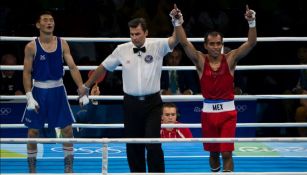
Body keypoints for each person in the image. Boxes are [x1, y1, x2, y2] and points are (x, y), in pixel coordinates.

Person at [83, 15, 180, 172]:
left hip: (153, 104)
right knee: (133, 145)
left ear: (146, 32)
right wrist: (86, 86)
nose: (134, 37)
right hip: (131, 104)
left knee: (152, 143)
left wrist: (177, 23)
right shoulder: (122, 49)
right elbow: (104, 66)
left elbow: (176, 40)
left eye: (138, 34)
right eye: (132, 34)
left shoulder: (157, 45)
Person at [172, 4, 257, 172]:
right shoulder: (200, 61)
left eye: (219, 43)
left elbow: (251, 43)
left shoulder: (231, 59)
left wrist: (252, 22)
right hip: (208, 114)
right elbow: (184, 42)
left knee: (227, 153)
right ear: (205, 45)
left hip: (228, 114)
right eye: (212, 44)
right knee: (213, 155)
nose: (216, 47)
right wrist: (177, 21)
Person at [21, 11, 88, 173]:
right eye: (45, 20)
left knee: (67, 130)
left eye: (51, 20)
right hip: (39, 90)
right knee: (33, 131)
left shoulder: (62, 43)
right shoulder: (31, 46)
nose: (49, 22)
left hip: (58, 90)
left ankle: (68, 167)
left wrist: (81, 89)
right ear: (38, 25)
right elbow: (26, 72)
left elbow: (72, 67)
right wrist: (29, 96)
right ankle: (32, 168)